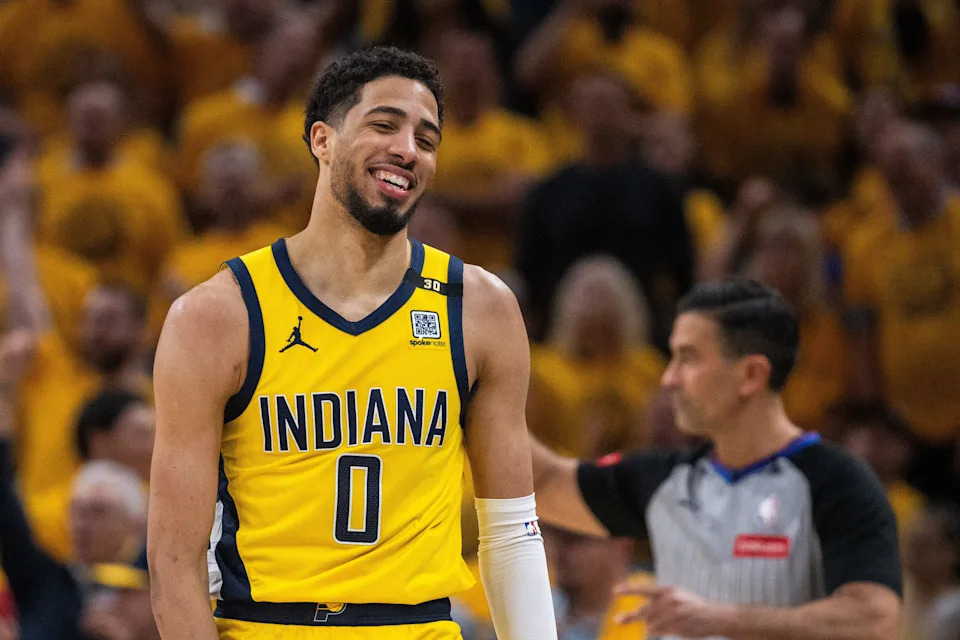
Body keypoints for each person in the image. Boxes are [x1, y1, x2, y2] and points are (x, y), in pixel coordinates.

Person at [148, 46, 557, 640]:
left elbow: (512, 534)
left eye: (426, 137)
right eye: (384, 125)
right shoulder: (217, 317)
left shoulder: (480, 310)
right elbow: (173, 565)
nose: (407, 149)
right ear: (322, 139)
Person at [531, 278, 902, 639]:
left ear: (751, 375)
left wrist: (722, 620)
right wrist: (480, 380)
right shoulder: (665, 479)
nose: (668, 378)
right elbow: (544, 481)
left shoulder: (837, 482)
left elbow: (875, 619)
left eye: (687, 358)